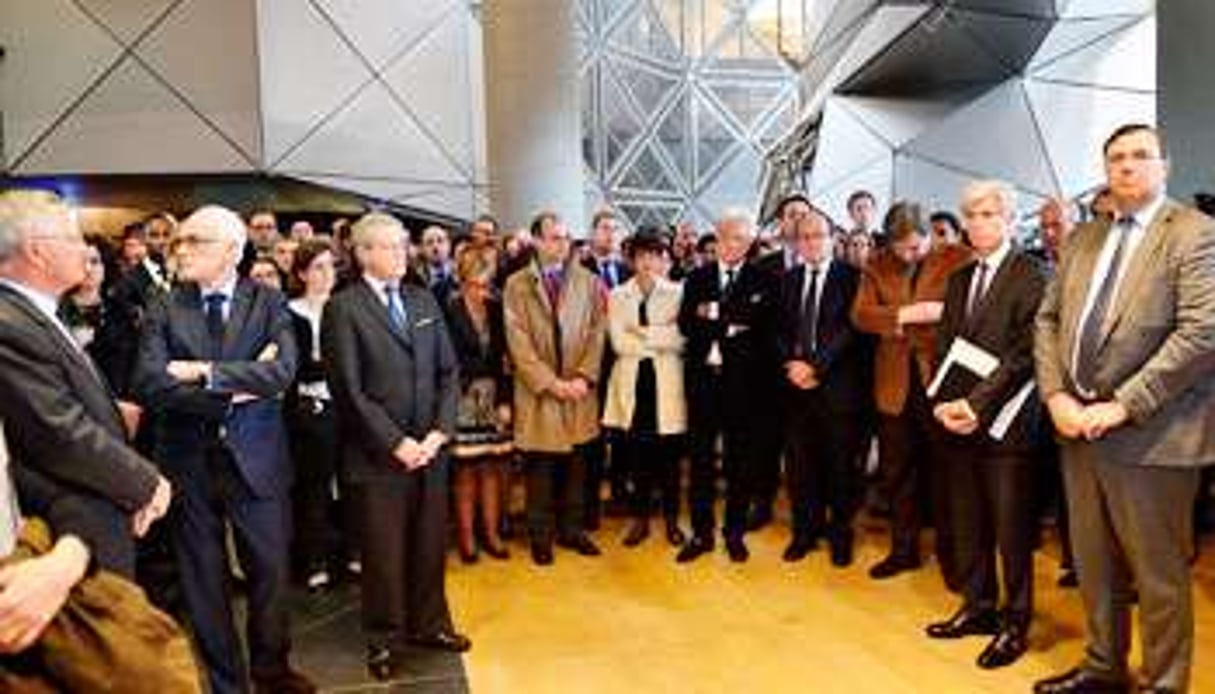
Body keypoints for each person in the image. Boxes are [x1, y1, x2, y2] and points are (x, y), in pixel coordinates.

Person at [1033, 123, 1215, 694]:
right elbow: (1048, 320)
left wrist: (1123, 406)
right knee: (1094, 564)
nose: (1127, 166)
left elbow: (1202, 331)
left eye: (1140, 156)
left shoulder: (1194, 232)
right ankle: (1102, 668)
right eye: (1116, 158)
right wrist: (1056, 394)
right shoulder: (1086, 237)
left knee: (1157, 576)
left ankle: (1164, 683)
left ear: (1165, 164)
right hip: (1077, 429)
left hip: (1153, 433)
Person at [135, 205, 312, 694]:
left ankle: (272, 670)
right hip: (186, 461)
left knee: (272, 573)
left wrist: (201, 372)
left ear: (233, 250)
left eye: (196, 241)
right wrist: (236, 388)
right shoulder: (164, 303)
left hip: (258, 459)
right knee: (203, 582)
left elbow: (281, 373)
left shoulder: (269, 301)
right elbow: (149, 382)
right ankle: (225, 684)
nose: (182, 250)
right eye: (179, 242)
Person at [322, 212, 469, 681]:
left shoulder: (422, 298)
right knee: (384, 553)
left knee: (429, 543)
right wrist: (396, 442)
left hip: (430, 450)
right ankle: (384, 638)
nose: (402, 254)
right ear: (364, 252)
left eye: (403, 245)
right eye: (389, 246)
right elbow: (349, 389)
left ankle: (429, 624)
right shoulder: (343, 308)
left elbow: (449, 372)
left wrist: (438, 433)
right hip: (377, 457)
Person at [0, 189, 170, 579]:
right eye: (74, 239)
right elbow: (57, 431)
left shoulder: (34, 311)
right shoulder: (10, 323)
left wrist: (108, 410)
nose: (84, 251)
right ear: (37, 252)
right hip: (69, 522)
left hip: (91, 505)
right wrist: (145, 482)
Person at [925, 180, 1047, 670]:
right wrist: (941, 400)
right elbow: (946, 346)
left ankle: (1015, 624)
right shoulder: (958, 278)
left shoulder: (1034, 274)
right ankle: (978, 607)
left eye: (988, 213)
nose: (977, 222)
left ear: (1010, 219)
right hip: (958, 422)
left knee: (1011, 528)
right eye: (970, 214)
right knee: (968, 520)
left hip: (1007, 425)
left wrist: (976, 404)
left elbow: (1024, 355)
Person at [852, 201, 972, 582]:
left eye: (916, 246)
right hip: (894, 384)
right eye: (901, 248)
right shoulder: (877, 263)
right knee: (897, 472)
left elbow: (962, 311)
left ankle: (952, 557)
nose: (909, 254)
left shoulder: (958, 258)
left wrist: (928, 315)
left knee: (945, 473)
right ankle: (903, 550)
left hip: (941, 381)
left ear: (931, 236)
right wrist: (908, 315)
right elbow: (861, 315)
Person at [676, 208, 780, 563]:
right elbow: (687, 325)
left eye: (740, 238)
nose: (732, 244)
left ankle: (734, 533)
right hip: (703, 383)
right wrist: (733, 322)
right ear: (716, 238)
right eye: (726, 236)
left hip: (745, 387)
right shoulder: (697, 277)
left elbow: (763, 331)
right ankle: (702, 534)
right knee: (701, 464)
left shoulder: (764, 279)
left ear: (750, 242)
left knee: (740, 464)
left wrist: (716, 314)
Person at [503, 211, 606, 566]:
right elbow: (518, 344)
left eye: (566, 237)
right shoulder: (517, 284)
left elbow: (597, 332)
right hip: (539, 394)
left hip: (579, 390)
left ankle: (572, 530)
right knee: (541, 470)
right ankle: (541, 536)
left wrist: (583, 378)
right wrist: (551, 384)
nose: (563, 244)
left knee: (577, 468)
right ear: (536, 241)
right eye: (554, 237)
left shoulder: (589, 281)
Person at [777, 210, 866, 567]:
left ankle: (840, 534)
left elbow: (851, 329)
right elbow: (776, 329)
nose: (812, 242)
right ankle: (804, 532)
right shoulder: (787, 279)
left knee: (840, 467)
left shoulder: (853, 278)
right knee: (800, 467)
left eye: (818, 235)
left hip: (837, 389)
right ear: (797, 243)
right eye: (805, 237)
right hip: (794, 389)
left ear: (833, 239)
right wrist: (792, 364)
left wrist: (816, 366)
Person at [602, 231, 687, 548]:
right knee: (639, 458)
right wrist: (660, 335)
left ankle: (672, 521)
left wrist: (643, 333)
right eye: (641, 255)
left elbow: (681, 339)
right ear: (632, 259)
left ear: (663, 258)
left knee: (669, 460)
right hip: (633, 383)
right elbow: (619, 343)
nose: (648, 262)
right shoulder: (617, 295)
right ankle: (639, 521)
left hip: (666, 384)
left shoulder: (678, 292)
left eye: (654, 254)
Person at [285, 238, 349, 590]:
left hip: (348, 407)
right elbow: (297, 369)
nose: (327, 275)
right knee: (315, 487)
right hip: (310, 410)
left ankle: (353, 552)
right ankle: (315, 559)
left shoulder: (346, 308)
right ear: (302, 273)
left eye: (331, 266)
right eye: (318, 267)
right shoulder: (290, 312)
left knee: (352, 481)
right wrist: (324, 368)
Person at [444, 242, 513, 564]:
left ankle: (492, 534)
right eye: (474, 283)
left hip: (493, 398)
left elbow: (506, 359)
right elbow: (445, 360)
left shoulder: (498, 309)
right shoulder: (448, 308)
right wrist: (463, 388)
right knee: (465, 471)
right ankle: (467, 539)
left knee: (491, 469)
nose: (480, 290)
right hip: (461, 398)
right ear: (461, 279)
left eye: (486, 283)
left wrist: (505, 399)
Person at [581, 209, 632, 529]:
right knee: (593, 439)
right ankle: (588, 503)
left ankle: (620, 494)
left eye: (615, 228)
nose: (610, 233)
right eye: (603, 228)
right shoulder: (579, 270)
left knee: (624, 434)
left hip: (624, 363)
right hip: (591, 366)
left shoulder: (628, 271)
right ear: (592, 233)